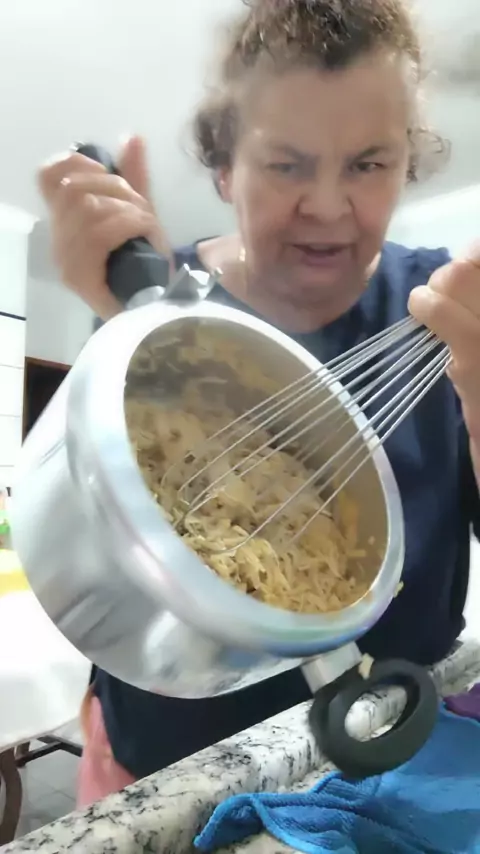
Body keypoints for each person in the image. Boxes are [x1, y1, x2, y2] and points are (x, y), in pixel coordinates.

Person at [38, 0, 480, 807]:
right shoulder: (153, 308)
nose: (328, 206)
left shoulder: (444, 323)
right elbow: (90, 521)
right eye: (286, 164)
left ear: (406, 165)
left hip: (397, 762)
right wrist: (117, 319)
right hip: (163, 779)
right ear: (224, 168)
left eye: (368, 164)